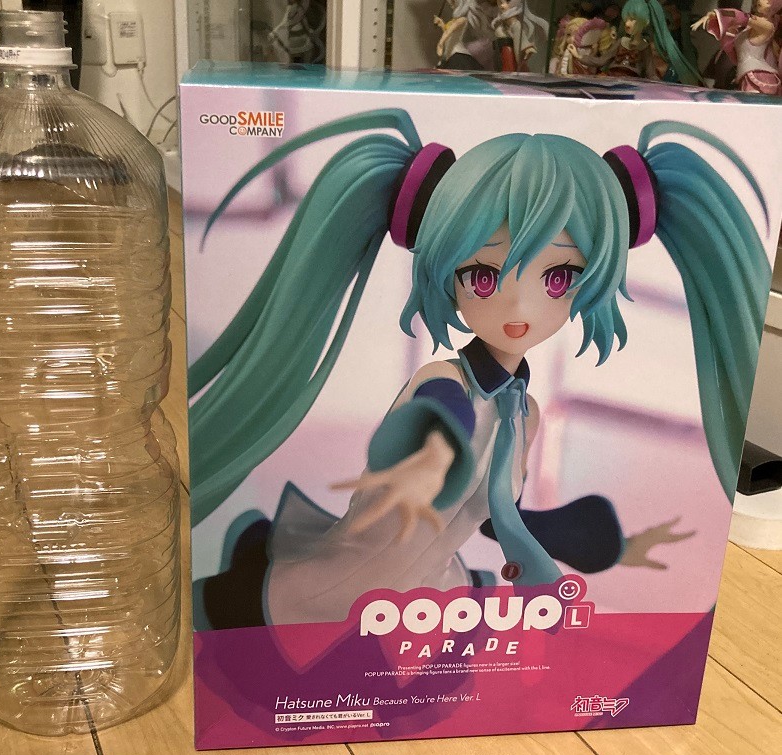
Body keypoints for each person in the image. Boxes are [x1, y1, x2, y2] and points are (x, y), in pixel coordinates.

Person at [189, 109, 769, 629]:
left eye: (558, 277)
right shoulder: (443, 382)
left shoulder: (525, 411)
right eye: (483, 276)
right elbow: (441, 424)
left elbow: (499, 519)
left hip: (428, 592)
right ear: (450, 275)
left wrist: (617, 547)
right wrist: (427, 465)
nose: (518, 307)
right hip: (345, 591)